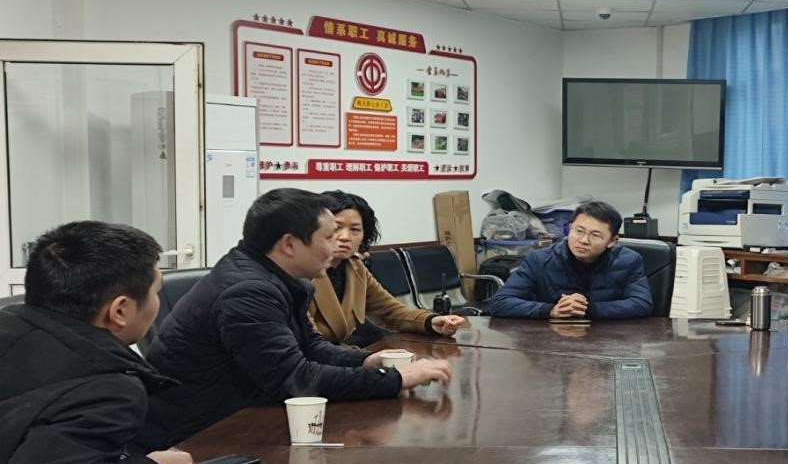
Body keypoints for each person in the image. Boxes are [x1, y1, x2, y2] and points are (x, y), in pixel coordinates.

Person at [141, 189, 451, 448]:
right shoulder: (248, 291)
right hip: (198, 434)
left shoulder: (280, 276)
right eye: (328, 237)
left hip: (242, 413)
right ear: (289, 244)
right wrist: (396, 378)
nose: (336, 245)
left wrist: (366, 361)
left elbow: (310, 346)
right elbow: (296, 378)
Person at [0, 221, 194, 464]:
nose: (157, 303)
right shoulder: (106, 387)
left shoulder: (10, 324)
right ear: (120, 310)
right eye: (156, 292)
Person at [310, 190, 466, 346]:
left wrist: (432, 322)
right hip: (316, 355)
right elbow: (308, 342)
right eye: (336, 227)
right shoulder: (302, 271)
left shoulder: (355, 267)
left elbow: (391, 312)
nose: (345, 237)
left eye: (355, 230)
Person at [486, 200, 652, 320]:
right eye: (579, 231)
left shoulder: (629, 261)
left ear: (612, 241)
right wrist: (551, 310)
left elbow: (641, 303)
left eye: (595, 235)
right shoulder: (539, 260)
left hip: (608, 341)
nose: (583, 240)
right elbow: (500, 302)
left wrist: (589, 309)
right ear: (570, 229)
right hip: (550, 340)